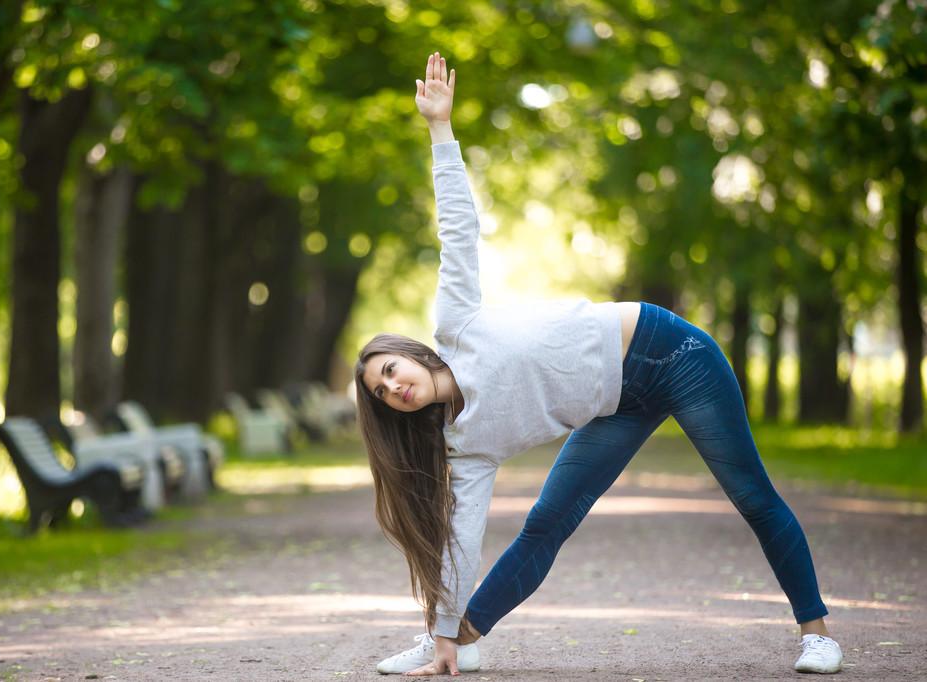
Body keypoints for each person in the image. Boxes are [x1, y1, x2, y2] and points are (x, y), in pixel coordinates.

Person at [354, 52, 843, 677]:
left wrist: (440, 131)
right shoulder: (463, 444)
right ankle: (457, 641)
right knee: (547, 523)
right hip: (616, 401)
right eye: (382, 390)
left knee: (751, 495)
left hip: (673, 353)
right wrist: (442, 627)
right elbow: (460, 537)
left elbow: (458, 230)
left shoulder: (458, 322)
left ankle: (817, 634)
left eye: (391, 369)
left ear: (411, 354)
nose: (394, 385)